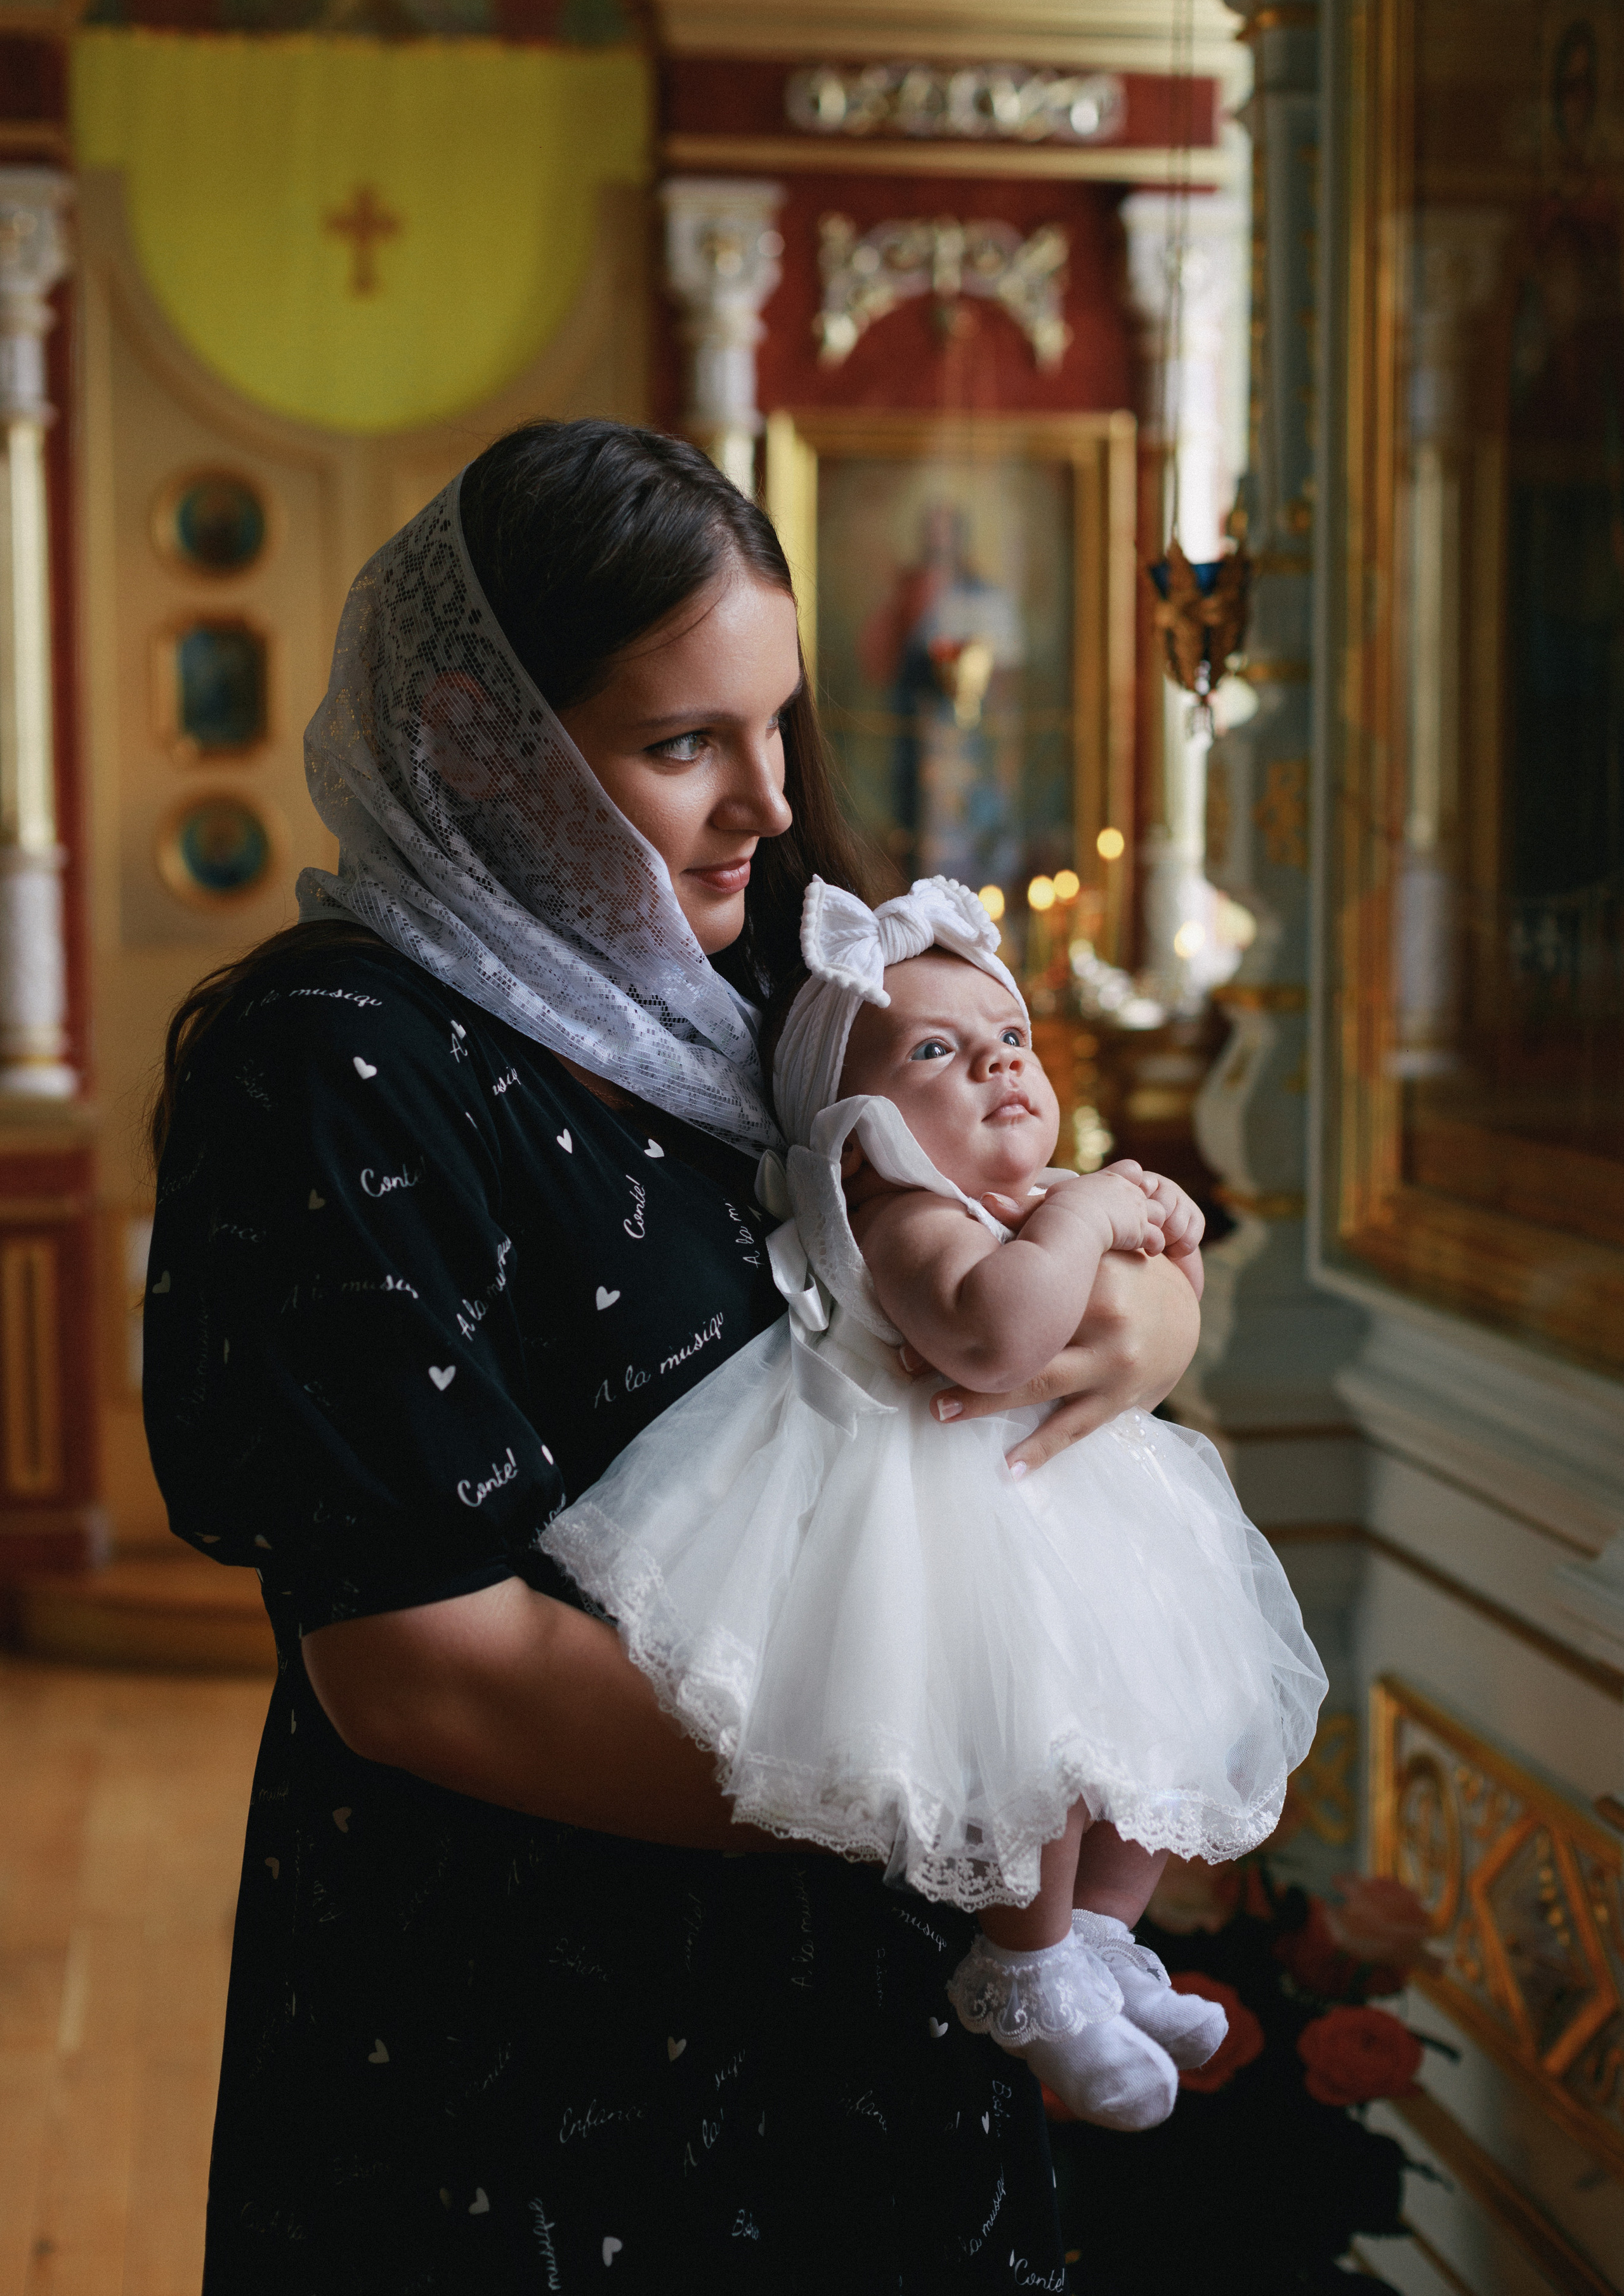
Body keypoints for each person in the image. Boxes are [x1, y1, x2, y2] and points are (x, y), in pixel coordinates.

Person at [143, 419, 1203, 2296]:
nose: (766, 805)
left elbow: (1013, 1244)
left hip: (882, 1999)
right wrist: (945, 1784)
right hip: (545, 2032)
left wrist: (1144, 1309)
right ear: (479, 740)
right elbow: (419, 1670)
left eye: (775, 725)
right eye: (682, 744)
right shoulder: (335, 1061)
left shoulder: (793, 976)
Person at [545, 876, 1327, 2134]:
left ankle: (1099, 1949)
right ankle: (1021, 1967)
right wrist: (1085, 1208)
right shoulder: (902, 1215)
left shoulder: (1006, 1199)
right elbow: (995, 1333)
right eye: (936, 1053)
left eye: (1008, 1041)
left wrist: (1161, 1238)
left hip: (1064, 1509)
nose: (995, 1069)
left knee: (1150, 1727)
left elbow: (1145, 1287)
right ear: (854, 1125)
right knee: (1023, 1740)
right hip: (936, 1524)